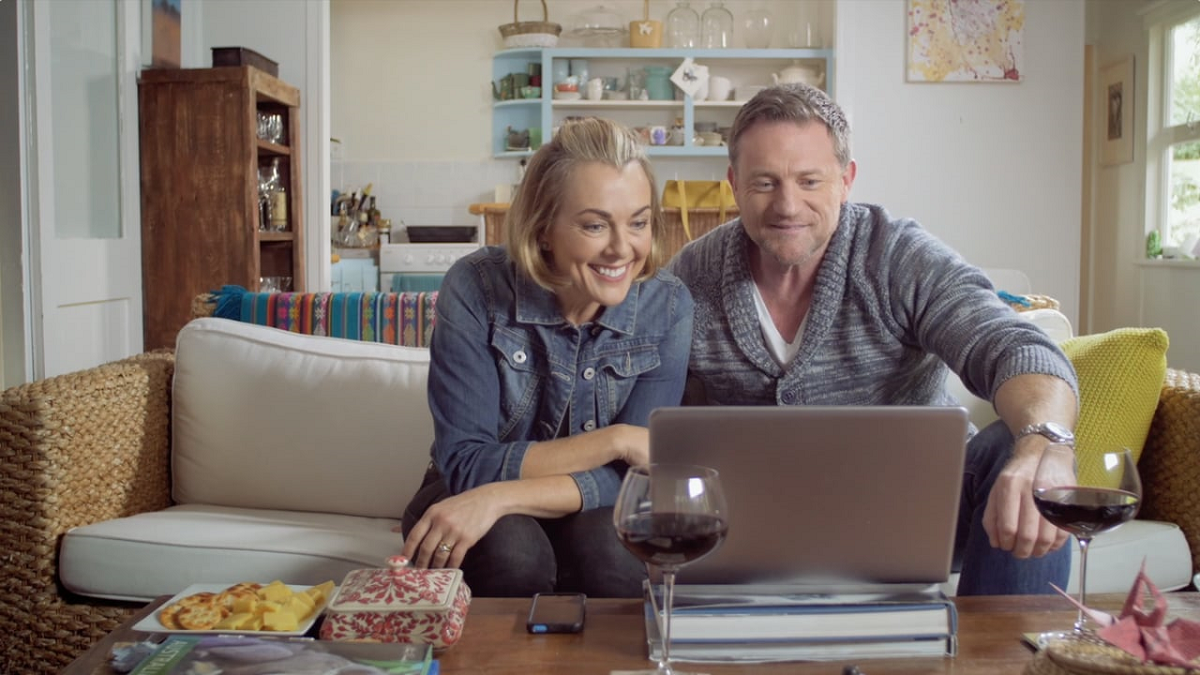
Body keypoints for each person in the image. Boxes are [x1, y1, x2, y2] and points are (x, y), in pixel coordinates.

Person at [668, 83, 1079, 595]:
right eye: (764, 183)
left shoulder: (895, 255)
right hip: (757, 525)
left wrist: (1049, 440)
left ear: (846, 181)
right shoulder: (692, 274)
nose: (787, 205)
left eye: (810, 180)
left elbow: (1015, 345)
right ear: (734, 184)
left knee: (1014, 448)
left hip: (920, 510)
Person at [400, 118, 694, 598]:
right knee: (513, 553)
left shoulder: (668, 306)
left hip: (588, 500)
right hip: (467, 494)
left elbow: (640, 477)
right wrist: (616, 439)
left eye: (638, 222)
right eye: (595, 225)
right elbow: (468, 465)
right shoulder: (475, 288)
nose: (623, 249)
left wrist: (501, 496)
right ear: (542, 231)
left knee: (615, 553)